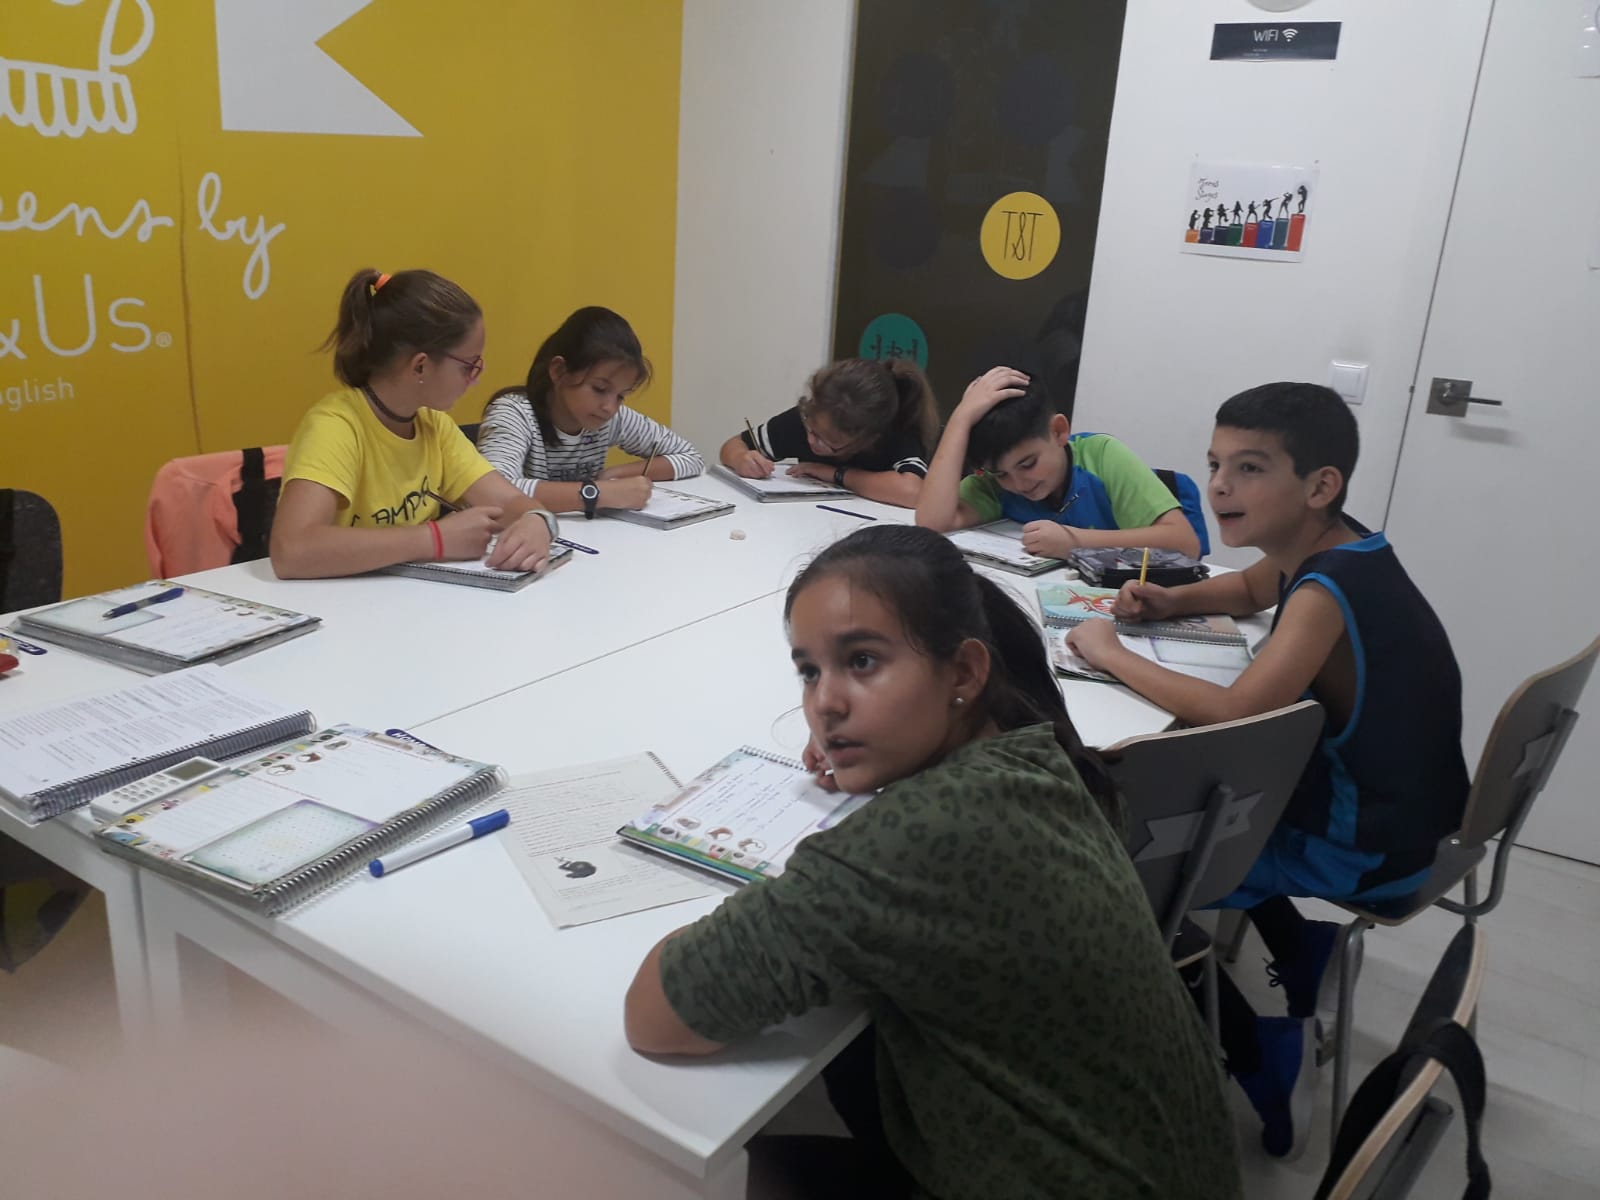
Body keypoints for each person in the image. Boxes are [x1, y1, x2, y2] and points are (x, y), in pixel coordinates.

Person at [624, 525, 1241, 1200]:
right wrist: (881, 747)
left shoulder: (923, 836)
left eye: (862, 661)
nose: (824, 703)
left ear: (966, 672)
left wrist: (857, 846)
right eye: (810, 671)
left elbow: (657, 1014)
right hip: (1169, 1170)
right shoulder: (1040, 757)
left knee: (677, 1170)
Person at [1065, 382, 1470, 1158]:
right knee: (1201, 806)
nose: (1219, 486)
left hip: (1366, 852)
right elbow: (1253, 586)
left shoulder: (1326, 592)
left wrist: (1111, 653)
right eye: (1215, 464)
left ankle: (1262, 1062)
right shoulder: (1341, 549)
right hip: (1402, 821)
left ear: (1320, 485)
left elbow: (1236, 712)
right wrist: (1167, 603)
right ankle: (1300, 949)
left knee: (1120, 878)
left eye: (1249, 468)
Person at [270, 268, 556, 580]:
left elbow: (509, 501)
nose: (474, 380)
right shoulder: (336, 426)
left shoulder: (434, 426)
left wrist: (537, 521)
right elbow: (291, 551)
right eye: (469, 366)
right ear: (420, 365)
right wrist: (434, 539)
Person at [915, 367, 1203, 557]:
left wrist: (1074, 542)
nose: (1018, 483)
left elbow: (1185, 543)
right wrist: (961, 418)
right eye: (1001, 473)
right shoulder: (995, 484)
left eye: (1028, 464)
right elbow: (932, 522)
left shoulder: (1103, 457)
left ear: (1058, 431)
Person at [476, 306, 700, 518]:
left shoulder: (612, 419)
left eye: (621, 396)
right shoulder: (514, 413)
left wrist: (615, 475)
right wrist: (596, 493)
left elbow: (690, 457)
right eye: (599, 389)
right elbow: (491, 492)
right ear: (559, 371)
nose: (610, 407)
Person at [718, 357, 937, 508]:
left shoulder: (896, 433)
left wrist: (835, 474)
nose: (813, 442)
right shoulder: (804, 419)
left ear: (868, 439)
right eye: (812, 430)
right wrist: (741, 458)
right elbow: (733, 445)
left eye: (829, 443)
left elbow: (913, 492)